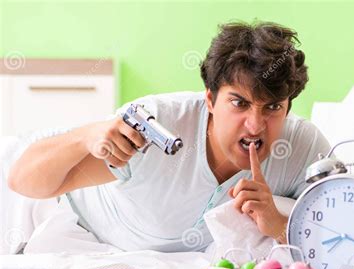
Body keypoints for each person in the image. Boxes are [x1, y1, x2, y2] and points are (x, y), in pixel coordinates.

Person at [8, 21, 330, 252]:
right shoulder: (154, 126)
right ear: (210, 100)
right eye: (239, 103)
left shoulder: (303, 148)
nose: (256, 125)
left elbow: (349, 234)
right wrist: (87, 136)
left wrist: (280, 225)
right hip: (68, 215)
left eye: (272, 107)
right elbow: (23, 181)